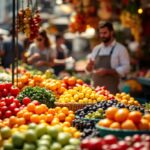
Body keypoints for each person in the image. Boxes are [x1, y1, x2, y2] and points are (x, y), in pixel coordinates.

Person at [86, 21, 130, 94]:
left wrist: (107, 71)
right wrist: (89, 66)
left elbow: (126, 68)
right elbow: (89, 70)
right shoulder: (97, 49)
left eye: (105, 33)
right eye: (101, 33)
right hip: (95, 92)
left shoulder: (120, 49)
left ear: (112, 32)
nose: (102, 35)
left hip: (112, 92)